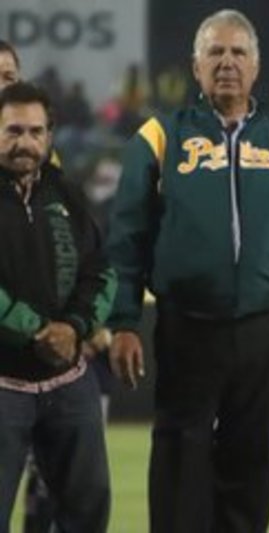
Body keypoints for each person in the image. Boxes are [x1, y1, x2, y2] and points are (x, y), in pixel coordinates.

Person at [105, 9, 269, 533]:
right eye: (216, 52)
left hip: (268, 324)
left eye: (238, 53)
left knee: (254, 459)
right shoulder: (160, 137)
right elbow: (126, 241)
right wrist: (123, 321)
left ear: (256, 67)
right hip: (188, 323)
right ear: (196, 67)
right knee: (178, 453)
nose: (227, 63)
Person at [0, 81, 117, 532]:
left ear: (50, 136)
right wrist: (36, 330)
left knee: (87, 514)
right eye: (12, 131)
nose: (24, 143)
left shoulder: (67, 194)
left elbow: (102, 271)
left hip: (69, 384)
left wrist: (74, 326)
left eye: (35, 132)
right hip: (4, 385)